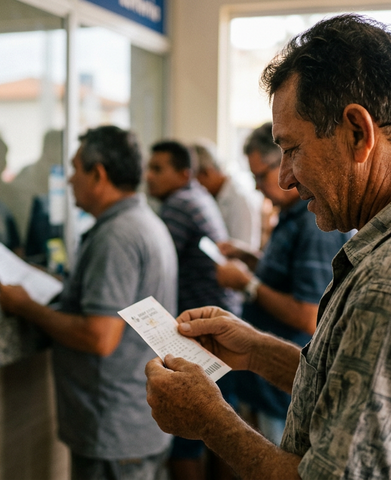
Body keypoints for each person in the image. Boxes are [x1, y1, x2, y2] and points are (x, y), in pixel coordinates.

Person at [145, 14, 391, 479]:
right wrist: (258, 352)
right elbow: (379, 401)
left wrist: (210, 421)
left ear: (357, 133)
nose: (285, 177)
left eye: (292, 149)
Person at [0, 126, 177, 480]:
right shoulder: (143, 222)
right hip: (135, 424)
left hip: (114, 431)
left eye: (75, 169)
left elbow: (99, 336)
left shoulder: (116, 236)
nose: (69, 179)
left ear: (98, 175)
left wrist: (25, 306)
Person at [217, 122, 351, 446]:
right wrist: (252, 258)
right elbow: (288, 276)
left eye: (261, 176)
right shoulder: (291, 213)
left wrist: (248, 285)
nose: (264, 186)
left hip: (285, 388)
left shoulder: (315, 223)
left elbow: (308, 313)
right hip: (267, 383)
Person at [145, 139, 238, 479]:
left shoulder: (179, 204)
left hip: (202, 333)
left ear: (184, 173)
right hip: (217, 325)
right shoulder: (198, 196)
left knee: (186, 439)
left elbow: (153, 266)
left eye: (158, 169)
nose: (148, 177)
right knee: (220, 433)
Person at [193, 139, 263, 250]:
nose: (194, 186)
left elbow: (245, 247)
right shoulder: (214, 195)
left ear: (207, 172)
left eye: (195, 179)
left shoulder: (240, 199)